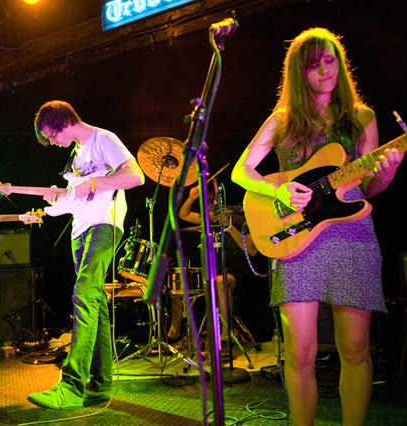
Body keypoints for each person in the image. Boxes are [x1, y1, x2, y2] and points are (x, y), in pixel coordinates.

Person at [231, 28, 404, 426]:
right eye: (314, 65)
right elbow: (242, 170)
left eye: (330, 61)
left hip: (352, 235)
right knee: (300, 352)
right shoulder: (282, 120)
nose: (325, 70)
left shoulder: (361, 117)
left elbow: (368, 188)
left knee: (356, 349)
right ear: (299, 72)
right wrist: (277, 191)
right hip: (296, 239)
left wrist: (387, 175)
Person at [27, 100, 144, 410]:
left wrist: (93, 182)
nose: (52, 142)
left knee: (83, 293)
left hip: (104, 225)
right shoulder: (75, 155)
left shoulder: (103, 139)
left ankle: (71, 385)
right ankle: (99, 386)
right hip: (80, 230)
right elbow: (76, 197)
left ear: (64, 122)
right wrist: (55, 201)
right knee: (95, 302)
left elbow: (136, 176)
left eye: (52, 135)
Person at [169, 185, 258, 347]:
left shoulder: (240, 221)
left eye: (213, 207)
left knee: (220, 281)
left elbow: (252, 251)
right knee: (179, 283)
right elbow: (183, 214)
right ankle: (174, 334)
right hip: (211, 273)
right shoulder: (208, 221)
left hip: (237, 273)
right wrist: (192, 197)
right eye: (207, 207)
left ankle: (226, 334)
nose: (210, 212)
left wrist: (229, 227)